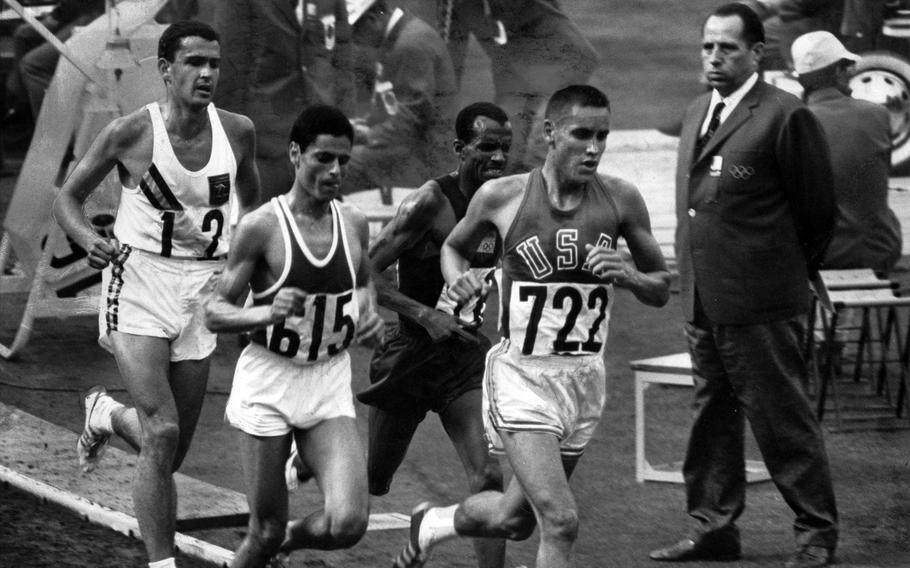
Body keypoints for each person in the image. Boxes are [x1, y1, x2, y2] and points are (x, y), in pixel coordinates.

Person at [390, 84, 671, 568]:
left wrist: (629, 276)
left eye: (603, 136)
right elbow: (454, 247)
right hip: (521, 378)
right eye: (582, 134)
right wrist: (460, 283)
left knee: (514, 519)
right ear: (550, 133)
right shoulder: (503, 196)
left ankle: (432, 525)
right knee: (559, 520)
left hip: (583, 380)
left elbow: (662, 286)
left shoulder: (622, 199)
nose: (594, 148)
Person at [52, 21, 260, 568]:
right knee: (162, 430)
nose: (207, 73)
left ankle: (103, 413)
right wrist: (91, 240)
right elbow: (67, 200)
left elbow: (256, 217)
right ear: (166, 70)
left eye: (214, 63)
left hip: (202, 290)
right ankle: (161, 563)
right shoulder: (131, 133)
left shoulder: (238, 132)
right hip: (138, 281)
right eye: (194, 62)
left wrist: (252, 280)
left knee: (167, 451)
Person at [649, 5, 839, 568]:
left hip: (763, 300)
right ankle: (713, 528)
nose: (713, 57)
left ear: (758, 53)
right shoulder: (696, 110)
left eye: (728, 48)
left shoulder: (785, 115)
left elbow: (818, 213)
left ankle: (815, 535)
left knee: (782, 420)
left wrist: (781, 275)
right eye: (707, 46)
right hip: (704, 297)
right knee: (711, 417)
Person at [203, 104, 384, 568]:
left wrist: (369, 313)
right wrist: (263, 313)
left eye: (343, 161)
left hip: (327, 378)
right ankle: (270, 540)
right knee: (259, 532)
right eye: (324, 158)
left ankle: (288, 540)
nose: (335, 170)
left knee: (348, 523)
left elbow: (363, 280)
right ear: (295, 154)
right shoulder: (262, 226)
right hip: (270, 380)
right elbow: (214, 312)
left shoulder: (354, 222)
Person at [353, 101, 513, 568]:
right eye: (487, 148)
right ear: (461, 148)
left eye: (505, 148)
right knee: (373, 480)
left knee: (487, 475)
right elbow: (365, 270)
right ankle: (309, 462)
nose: (499, 159)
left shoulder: (505, 199)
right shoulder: (429, 203)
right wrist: (425, 315)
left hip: (463, 360)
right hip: (409, 357)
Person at [213, 0, 356, 202]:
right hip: (266, 145)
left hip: (321, 139)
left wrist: (343, 122)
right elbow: (229, 65)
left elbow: (342, 55)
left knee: (325, 227)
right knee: (264, 225)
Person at [437, 0, 600, 174]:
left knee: (536, 147)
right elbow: (451, 61)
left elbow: (581, 54)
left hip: (557, 63)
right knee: (504, 152)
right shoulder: (457, 8)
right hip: (516, 71)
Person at [792, 30, 902, 275]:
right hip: (876, 250)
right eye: (848, 67)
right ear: (838, 72)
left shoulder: (789, 123)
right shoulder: (877, 115)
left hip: (814, 255)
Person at [341, 0, 458, 195]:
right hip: (414, 147)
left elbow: (410, 122)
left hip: (426, 159)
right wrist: (365, 129)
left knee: (340, 163)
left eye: (356, 33)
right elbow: (400, 109)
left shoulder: (411, 45)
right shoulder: (403, 36)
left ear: (373, 19)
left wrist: (369, 136)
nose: (355, 42)